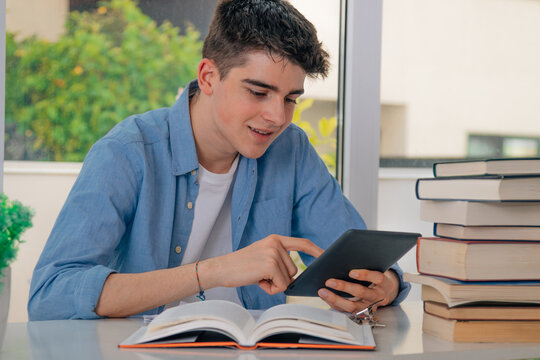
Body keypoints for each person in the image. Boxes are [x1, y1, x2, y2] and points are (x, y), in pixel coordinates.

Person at [28, 0, 410, 321]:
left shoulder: (291, 150)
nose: (278, 116)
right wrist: (215, 271)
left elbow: (359, 258)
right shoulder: (128, 151)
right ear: (209, 77)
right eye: (259, 92)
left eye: (291, 98)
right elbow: (51, 295)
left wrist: (385, 287)